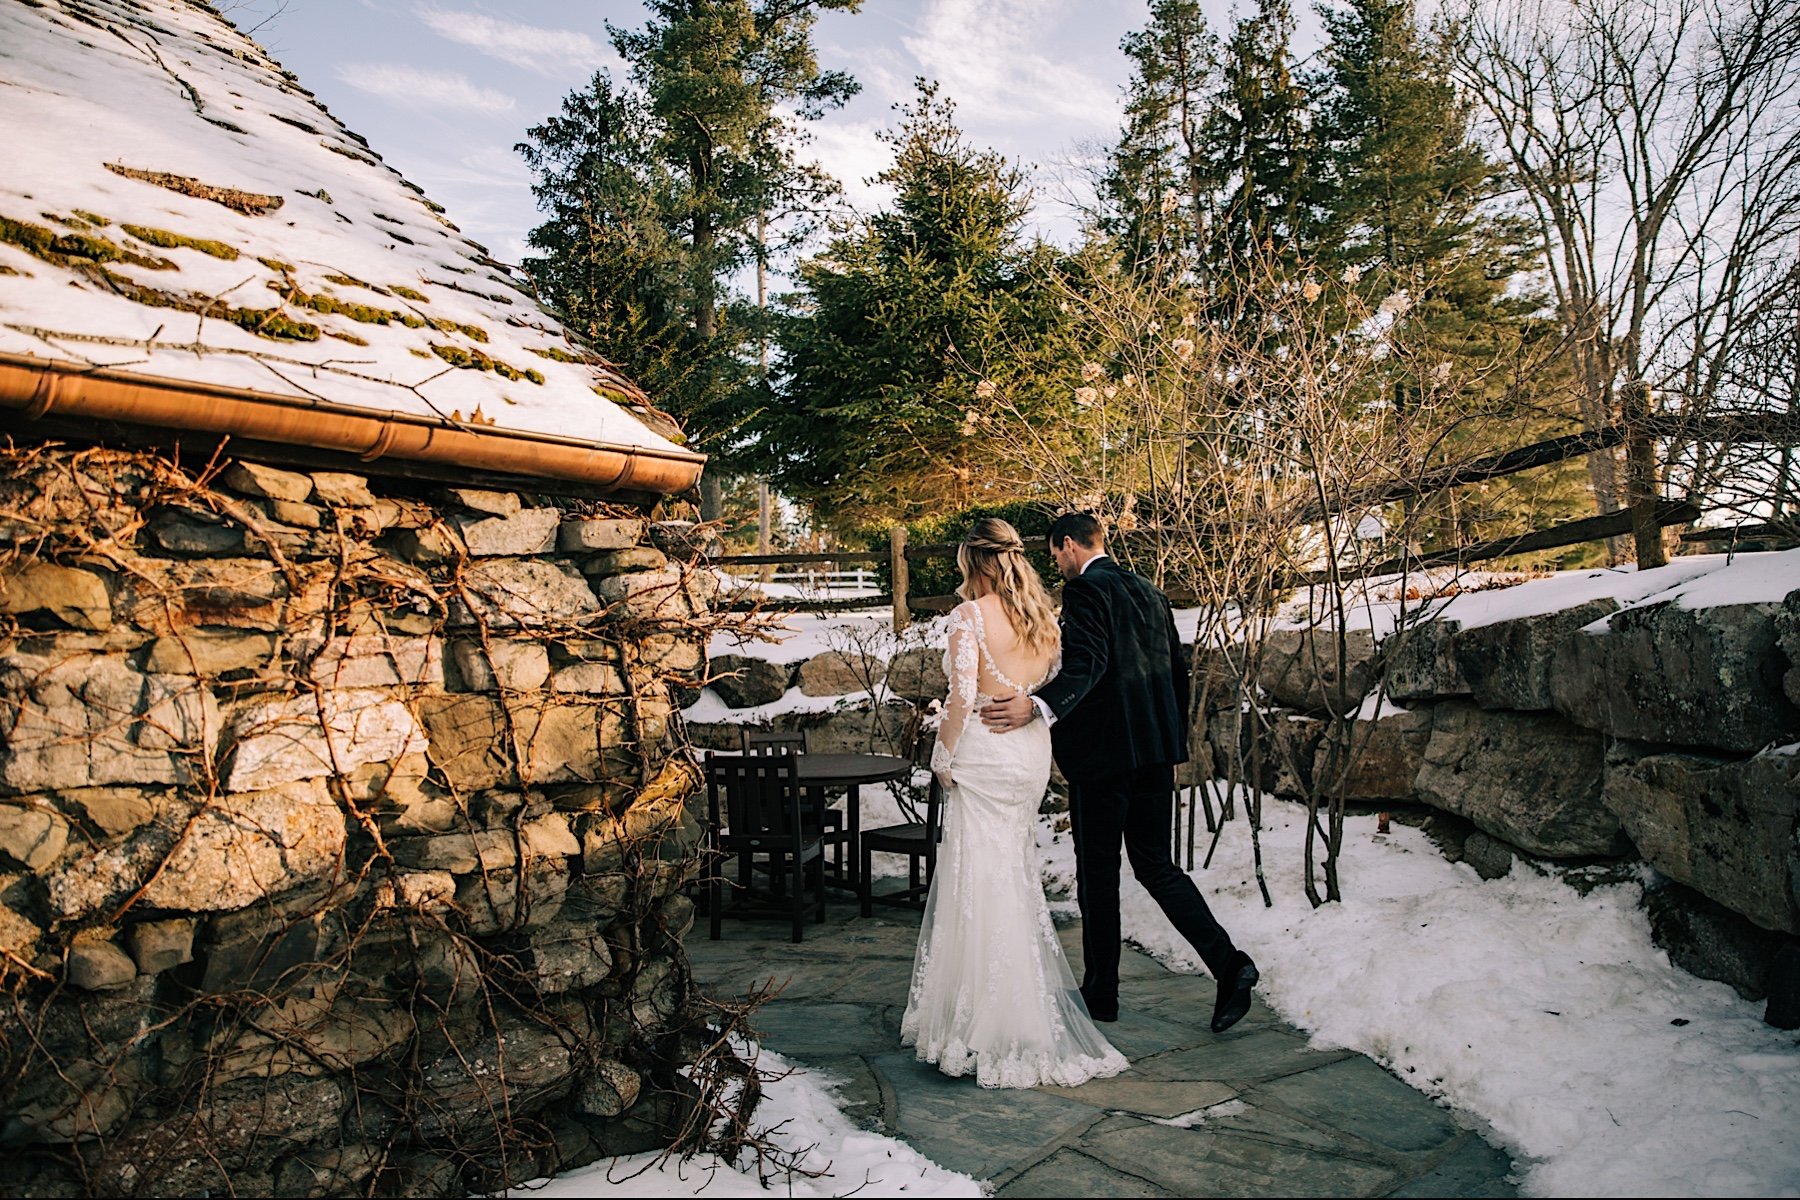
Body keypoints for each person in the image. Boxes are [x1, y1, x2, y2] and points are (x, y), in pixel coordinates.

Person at [979, 512, 1258, 1034]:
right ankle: (1230, 964)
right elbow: (1176, 671)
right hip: (1154, 752)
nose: (1057, 565)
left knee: (1099, 874)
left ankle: (1101, 992)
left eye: (1055, 555)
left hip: (1105, 758)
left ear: (1068, 545)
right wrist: (1171, 743)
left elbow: (1088, 663)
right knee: (1156, 866)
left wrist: (1037, 707)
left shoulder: (1086, 592)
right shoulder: (1149, 592)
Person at [900, 518, 1128, 1089]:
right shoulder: (1044, 619)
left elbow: (961, 699)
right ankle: (1014, 1013)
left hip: (983, 753)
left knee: (976, 879)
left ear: (974, 563)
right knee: (1011, 878)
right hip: (1028, 754)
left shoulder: (969, 618)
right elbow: (1051, 687)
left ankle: (979, 1021)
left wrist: (942, 758)